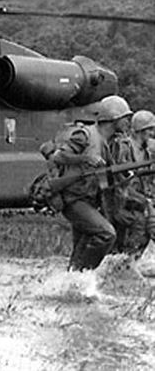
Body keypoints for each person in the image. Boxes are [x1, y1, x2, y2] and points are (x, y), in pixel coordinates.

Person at [50, 95, 130, 271]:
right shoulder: (85, 135)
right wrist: (85, 158)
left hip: (90, 201)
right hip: (74, 199)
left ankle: (71, 282)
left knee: (81, 249)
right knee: (106, 234)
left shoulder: (108, 143)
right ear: (113, 117)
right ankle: (84, 277)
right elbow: (58, 157)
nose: (128, 122)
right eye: (125, 118)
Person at [108, 110, 155, 258]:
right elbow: (119, 181)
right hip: (123, 202)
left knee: (148, 227)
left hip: (140, 201)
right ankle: (125, 262)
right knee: (139, 227)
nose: (152, 133)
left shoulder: (148, 149)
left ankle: (131, 262)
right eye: (150, 129)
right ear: (140, 130)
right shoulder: (124, 148)